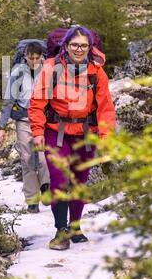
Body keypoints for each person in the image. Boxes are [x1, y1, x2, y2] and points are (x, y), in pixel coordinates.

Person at [28, 26, 116, 249]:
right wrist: (37, 132)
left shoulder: (97, 72)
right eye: (75, 45)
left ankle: (75, 226)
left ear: (90, 47)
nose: (79, 49)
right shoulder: (51, 68)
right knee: (59, 180)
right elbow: (37, 103)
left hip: (86, 134)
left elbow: (105, 108)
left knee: (79, 181)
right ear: (66, 46)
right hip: (56, 133)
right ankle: (60, 231)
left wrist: (105, 138)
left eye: (83, 45)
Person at [0, 42, 50, 213]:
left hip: (43, 120)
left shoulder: (48, 70)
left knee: (43, 157)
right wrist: (2, 126)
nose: (34, 61)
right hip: (24, 120)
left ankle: (46, 186)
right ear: (25, 56)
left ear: (42, 56)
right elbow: (9, 100)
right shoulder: (18, 72)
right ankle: (32, 200)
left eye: (37, 58)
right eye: (30, 58)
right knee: (27, 160)